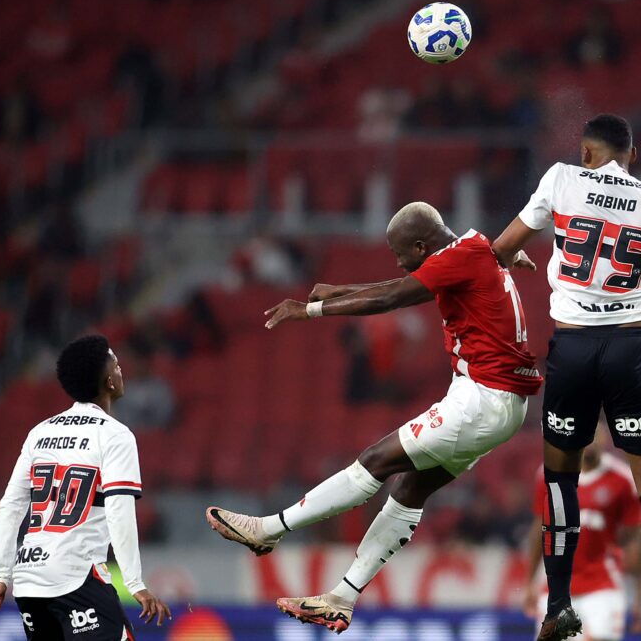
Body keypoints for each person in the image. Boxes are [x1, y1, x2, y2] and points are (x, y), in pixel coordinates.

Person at [206, 202, 542, 634]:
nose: (399, 262)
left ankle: (269, 529)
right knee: (410, 486)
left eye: (402, 253)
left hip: (483, 398)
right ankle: (341, 598)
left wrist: (310, 310)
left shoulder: (464, 257)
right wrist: (341, 289)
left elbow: (393, 296)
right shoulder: (471, 247)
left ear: (422, 245)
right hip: (499, 402)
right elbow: (410, 282)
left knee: (375, 461)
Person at [492, 114, 641, 641]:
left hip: (573, 346)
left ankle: (557, 602)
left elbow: (502, 247)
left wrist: (515, 253)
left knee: (559, 477)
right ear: (631, 153)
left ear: (587, 152)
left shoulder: (561, 179)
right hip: (630, 345)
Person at [0, 335, 171, 639]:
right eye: (117, 366)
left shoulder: (40, 433)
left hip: (29, 580)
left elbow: (12, 504)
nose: (122, 372)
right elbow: (119, 510)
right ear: (108, 382)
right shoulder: (116, 436)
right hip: (76, 577)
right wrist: (135, 583)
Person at [524, 428, 641, 641]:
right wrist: (530, 582)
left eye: (596, 432)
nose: (591, 438)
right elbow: (539, 530)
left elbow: (634, 538)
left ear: (606, 437)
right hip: (556, 589)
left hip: (603, 588)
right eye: (587, 428)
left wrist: (639, 596)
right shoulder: (549, 474)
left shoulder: (622, 479)